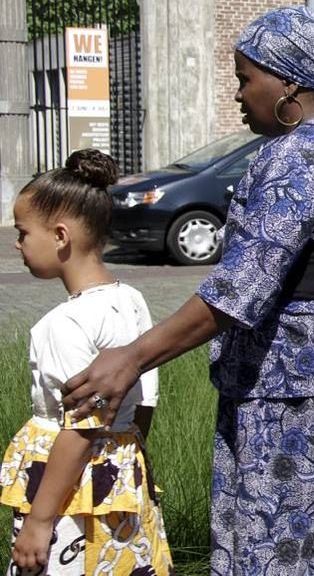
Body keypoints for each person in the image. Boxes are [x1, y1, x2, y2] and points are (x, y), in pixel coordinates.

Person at [60, 6, 314, 575]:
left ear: (289, 80)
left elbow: (241, 288)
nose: (239, 95)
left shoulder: (303, 152)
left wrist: (131, 358)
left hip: (290, 401)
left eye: (245, 79)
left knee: (274, 553)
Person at [1, 149, 171, 575]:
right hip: (120, 484)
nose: (16, 243)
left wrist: (40, 521)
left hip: (66, 496)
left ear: (60, 236)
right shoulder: (130, 301)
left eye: (22, 232)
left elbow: (79, 428)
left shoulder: (63, 323)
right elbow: (143, 403)